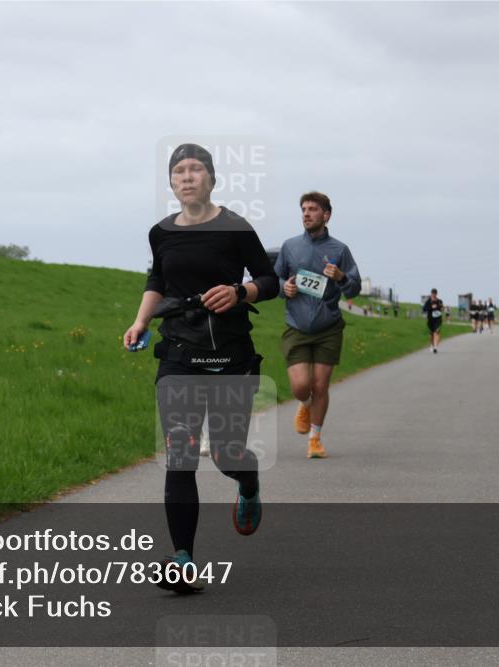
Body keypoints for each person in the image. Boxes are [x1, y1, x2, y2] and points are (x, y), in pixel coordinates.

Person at [123, 143, 279, 593]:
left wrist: (240, 292)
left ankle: (247, 482)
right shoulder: (160, 233)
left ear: (212, 178)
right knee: (181, 451)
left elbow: (269, 280)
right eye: (179, 171)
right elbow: (158, 279)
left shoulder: (236, 227)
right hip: (178, 353)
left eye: (195, 169)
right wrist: (140, 321)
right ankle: (183, 560)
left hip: (229, 352)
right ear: (171, 183)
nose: (187, 176)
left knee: (228, 454)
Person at [274, 191, 361, 459]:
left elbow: (354, 289)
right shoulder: (290, 247)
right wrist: (284, 288)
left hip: (328, 327)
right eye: (303, 209)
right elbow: (273, 280)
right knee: (301, 385)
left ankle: (315, 440)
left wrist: (341, 276)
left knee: (321, 385)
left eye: (312, 209)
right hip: (297, 326)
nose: (306, 214)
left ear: (326, 215)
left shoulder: (339, 250)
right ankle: (305, 403)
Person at [422, 288, 445, 353]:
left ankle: (435, 347)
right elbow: (424, 309)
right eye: (433, 293)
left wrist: (441, 308)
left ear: (436, 294)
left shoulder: (439, 301)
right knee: (431, 334)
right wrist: (431, 307)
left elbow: (442, 309)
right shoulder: (428, 301)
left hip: (438, 319)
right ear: (431, 294)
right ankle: (432, 345)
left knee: (437, 332)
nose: (434, 295)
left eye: (435, 294)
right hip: (430, 319)